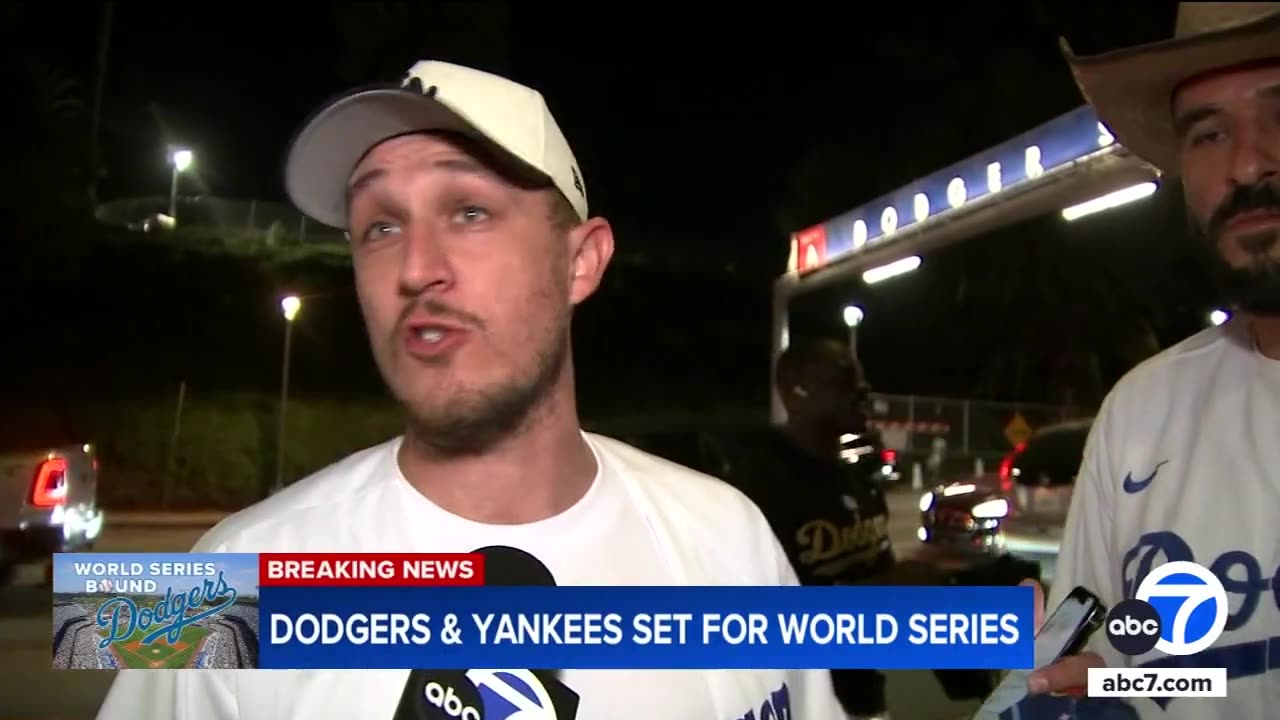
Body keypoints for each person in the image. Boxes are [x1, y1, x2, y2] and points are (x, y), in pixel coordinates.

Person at [96, 60, 845, 720]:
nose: (417, 266)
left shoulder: (731, 537)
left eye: (470, 211)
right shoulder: (220, 582)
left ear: (582, 261)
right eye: (380, 226)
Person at [1024, 3, 1280, 719]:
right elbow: (1119, 675)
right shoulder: (1141, 412)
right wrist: (1062, 688)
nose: (1248, 161)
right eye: (1208, 133)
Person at [728, 337, 962, 719]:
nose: (862, 389)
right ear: (797, 391)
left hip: (866, 698)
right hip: (799, 703)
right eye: (843, 378)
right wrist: (885, 589)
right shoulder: (759, 486)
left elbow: (876, 582)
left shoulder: (859, 481)